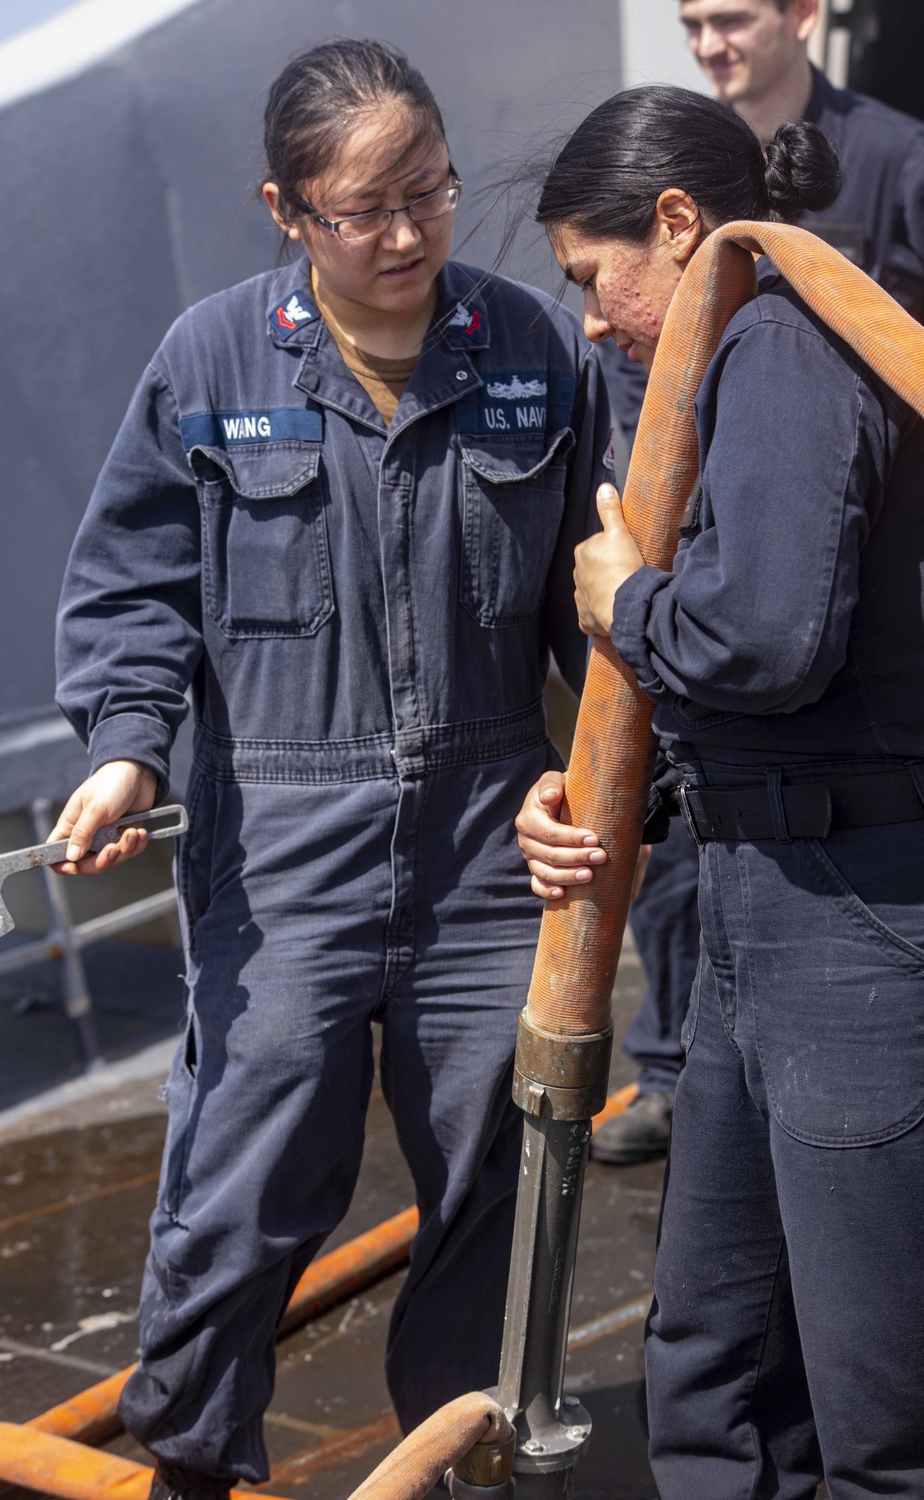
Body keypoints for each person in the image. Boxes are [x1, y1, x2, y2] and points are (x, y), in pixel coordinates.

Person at [50, 38, 611, 1500]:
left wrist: (615, 783)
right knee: (242, 1176)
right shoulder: (211, 361)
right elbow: (132, 588)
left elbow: (598, 609)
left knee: (499, 1172)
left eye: (428, 190)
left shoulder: (533, 352)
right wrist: (123, 750)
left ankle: (458, 1459)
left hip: (489, 841)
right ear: (285, 210)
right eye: (366, 209)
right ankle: (190, 1466)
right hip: (283, 842)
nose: (411, 234)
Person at [516, 83, 924, 1494]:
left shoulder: (789, 345)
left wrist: (628, 603)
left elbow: (767, 639)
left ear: (677, 223)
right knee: (716, 1353)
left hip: (852, 921)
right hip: (766, 911)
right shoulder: (752, 346)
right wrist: (615, 801)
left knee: (880, 1400)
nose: (587, 315)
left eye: (592, 273)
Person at [590, 0, 924, 1167]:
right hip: (720, 729)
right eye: (688, 22)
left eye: (730, 16)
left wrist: (634, 602)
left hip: (843, 763)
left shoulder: (880, 178)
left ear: (805, 14)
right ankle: (670, 1067)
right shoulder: (685, 260)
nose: (708, 41)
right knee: (714, 1321)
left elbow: (776, 625)